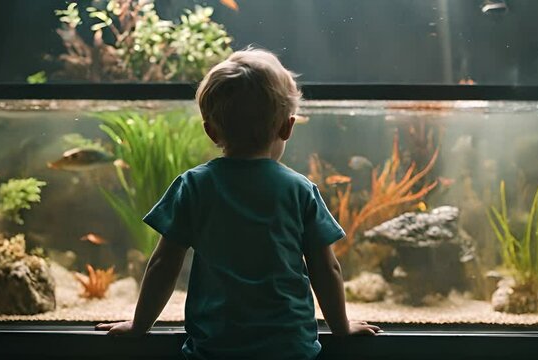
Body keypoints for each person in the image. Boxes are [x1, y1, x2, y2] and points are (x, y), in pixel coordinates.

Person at [96, 48, 380, 359]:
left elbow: (164, 264)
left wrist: (139, 326)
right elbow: (326, 267)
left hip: (215, 345)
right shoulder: (300, 190)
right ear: (288, 126)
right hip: (289, 347)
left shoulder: (194, 186)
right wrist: (341, 328)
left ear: (210, 130)